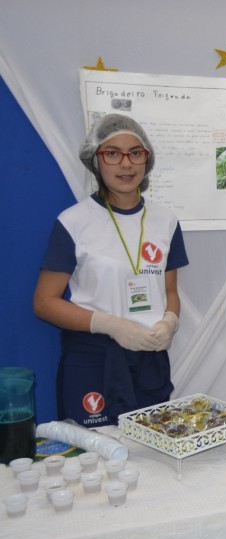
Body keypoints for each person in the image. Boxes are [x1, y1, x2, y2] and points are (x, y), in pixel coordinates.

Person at [33, 114, 188, 426]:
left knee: (152, 447)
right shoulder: (74, 222)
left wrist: (169, 322)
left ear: (147, 160)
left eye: (136, 153)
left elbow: (170, 291)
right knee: (97, 451)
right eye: (113, 153)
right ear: (95, 160)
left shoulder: (166, 221)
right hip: (94, 360)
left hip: (149, 359)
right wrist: (110, 325)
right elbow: (44, 303)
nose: (126, 164)